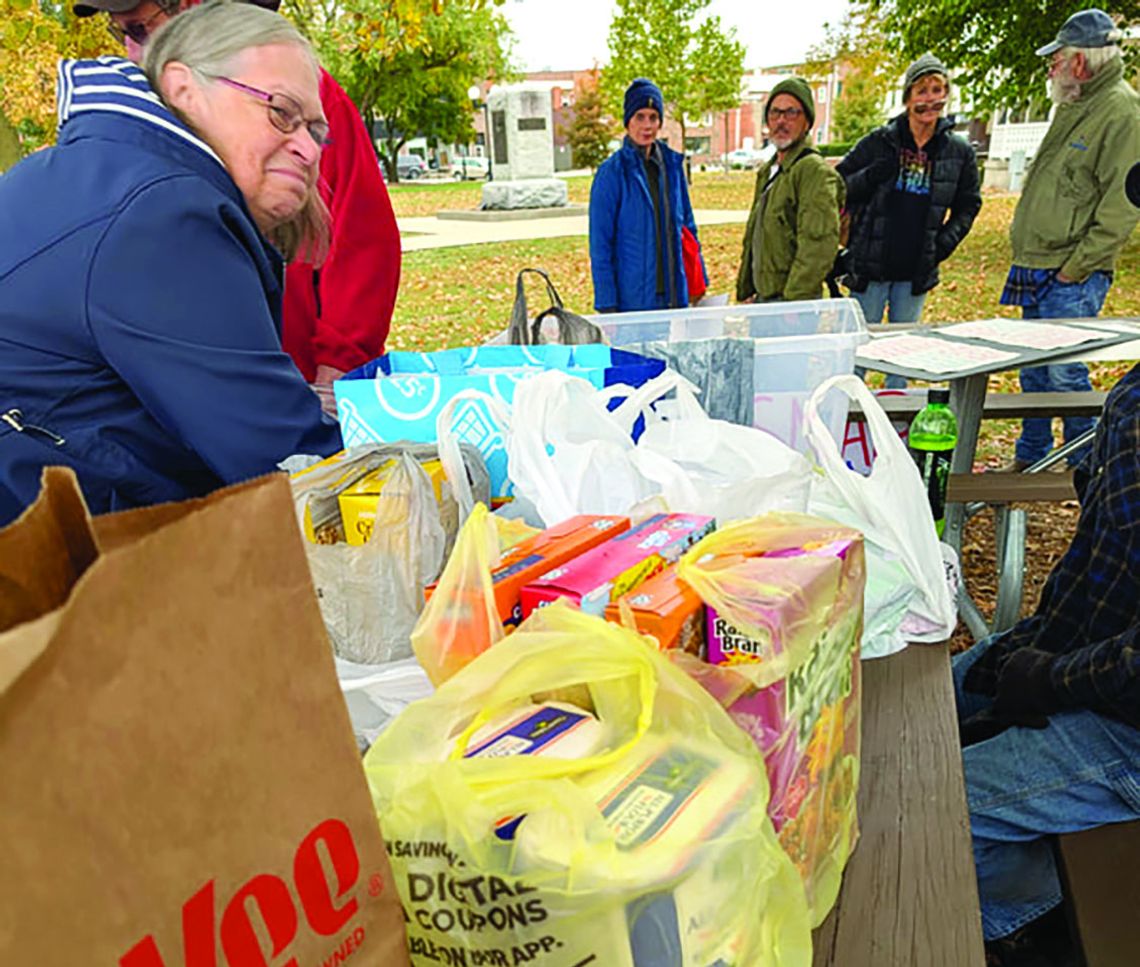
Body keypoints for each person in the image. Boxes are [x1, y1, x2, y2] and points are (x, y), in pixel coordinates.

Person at [0, 0, 343, 524]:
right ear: (183, 88)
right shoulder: (162, 211)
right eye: (282, 113)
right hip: (46, 564)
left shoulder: (103, 171)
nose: (307, 148)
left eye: (316, 131)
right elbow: (285, 456)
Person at [955, 150, 1140, 961]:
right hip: (1093, 667)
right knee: (936, 696)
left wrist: (1053, 678)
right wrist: (1032, 646)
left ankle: (1031, 923)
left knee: (935, 803)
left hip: (1127, 722)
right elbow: (1108, 566)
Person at [74, 0, 403, 414]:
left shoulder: (294, 93)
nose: (131, 49)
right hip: (184, 395)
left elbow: (361, 239)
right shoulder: (135, 121)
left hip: (287, 383)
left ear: (188, 9)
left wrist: (338, 365)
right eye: (118, 31)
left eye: (140, 29)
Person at [999, 8, 1140, 472]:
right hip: (1038, 261)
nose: (1051, 67)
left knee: (1065, 370)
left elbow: (1123, 205)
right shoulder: (1075, 102)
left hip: (1070, 271)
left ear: (1080, 61)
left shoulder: (1121, 111)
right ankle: (1032, 457)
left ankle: (1085, 466)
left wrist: (1076, 268)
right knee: (1034, 369)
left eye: (1056, 58)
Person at [838, 53, 981, 388]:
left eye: (937, 90)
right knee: (857, 351)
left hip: (914, 272)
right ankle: (846, 420)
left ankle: (894, 426)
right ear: (907, 98)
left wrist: (942, 244)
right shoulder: (879, 141)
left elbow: (968, 204)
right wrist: (872, 175)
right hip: (870, 269)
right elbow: (839, 186)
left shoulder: (958, 152)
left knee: (901, 357)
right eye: (922, 91)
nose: (930, 99)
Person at [588, 77, 706, 313]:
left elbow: (688, 229)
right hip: (632, 300)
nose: (647, 125)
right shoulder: (612, 173)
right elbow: (601, 244)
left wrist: (697, 278)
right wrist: (607, 304)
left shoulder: (672, 167)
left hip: (672, 296)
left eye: (653, 117)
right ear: (628, 122)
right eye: (639, 117)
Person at [736, 77, 844, 303]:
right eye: (775, 113)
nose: (781, 121)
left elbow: (818, 245)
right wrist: (748, 289)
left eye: (791, 113)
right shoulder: (769, 171)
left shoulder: (813, 171)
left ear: (807, 122)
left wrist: (794, 304)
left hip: (790, 305)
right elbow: (756, 237)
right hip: (764, 299)